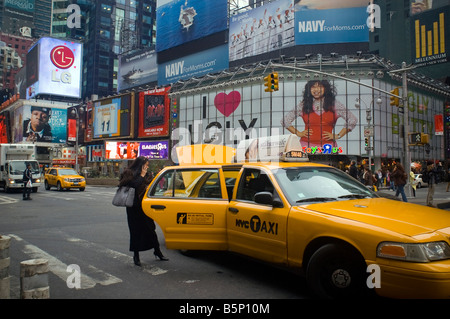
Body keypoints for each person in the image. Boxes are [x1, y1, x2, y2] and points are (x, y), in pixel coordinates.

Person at [119, 156, 168, 266]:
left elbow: (149, 185)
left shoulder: (146, 173)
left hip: (145, 206)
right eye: (146, 164)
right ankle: (136, 256)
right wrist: (141, 176)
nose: (147, 166)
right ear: (140, 164)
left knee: (151, 229)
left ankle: (158, 251)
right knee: (135, 231)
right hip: (133, 207)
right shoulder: (129, 172)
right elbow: (133, 185)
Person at [281, 80, 357, 147]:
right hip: (306, 146)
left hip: (328, 147)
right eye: (313, 87)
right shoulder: (303, 105)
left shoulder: (335, 105)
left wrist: (338, 135)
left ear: (325, 89)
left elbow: (352, 119)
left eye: (320, 86)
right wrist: (299, 133)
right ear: (309, 89)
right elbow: (285, 121)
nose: (316, 89)